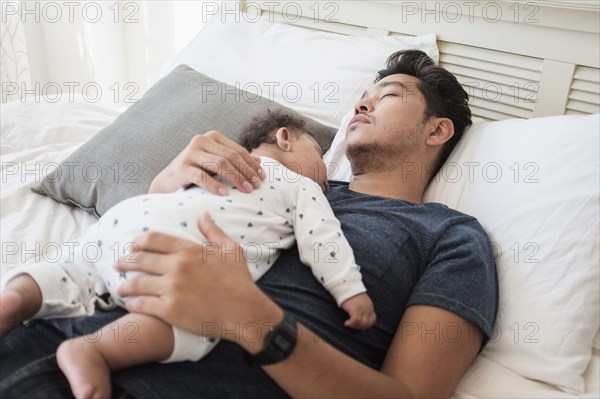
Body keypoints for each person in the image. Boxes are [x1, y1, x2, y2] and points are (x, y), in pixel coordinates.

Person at [0, 50, 497, 398]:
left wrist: (253, 319)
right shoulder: (272, 176)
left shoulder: (451, 236)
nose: (360, 105)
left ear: (437, 129)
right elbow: (135, 238)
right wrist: (165, 185)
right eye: (361, 95)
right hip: (36, 331)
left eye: (387, 95)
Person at [0, 110, 376, 398]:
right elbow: (322, 239)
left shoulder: (210, 169)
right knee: (200, 321)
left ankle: (17, 297)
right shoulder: (298, 185)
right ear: (285, 138)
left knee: (72, 267)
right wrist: (350, 290)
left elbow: (164, 200)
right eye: (320, 157)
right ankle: (96, 352)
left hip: (126, 218)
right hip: (178, 243)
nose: (327, 180)